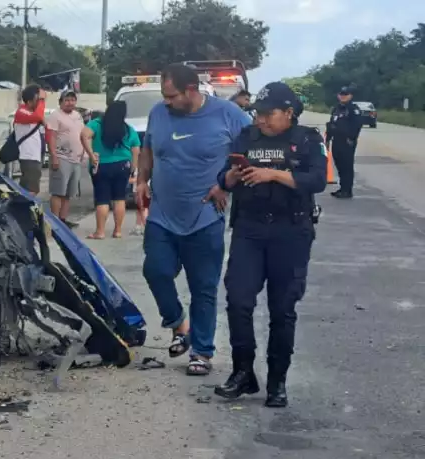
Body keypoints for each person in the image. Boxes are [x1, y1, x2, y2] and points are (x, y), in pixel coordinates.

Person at [214, 82, 326, 407]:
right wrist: (232, 177)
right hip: (249, 229)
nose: (261, 120)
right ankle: (243, 371)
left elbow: (317, 179)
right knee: (238, 301)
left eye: (268, 114)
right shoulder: (247, 137)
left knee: (281, 310)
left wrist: (273, 175)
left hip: (290, 232)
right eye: (258, 114)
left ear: (289, 113)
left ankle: (277, 382)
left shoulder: (307, 139)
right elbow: (224, 178)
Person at [134, 63, 251, 376]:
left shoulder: (229, 115)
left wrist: (226, 182)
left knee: (203, 287)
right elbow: (148, 148)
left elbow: (252, 151)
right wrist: (142, 178)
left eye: (171, 96)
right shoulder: (159, 113)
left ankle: (201, 351)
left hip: (205, 216)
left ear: (190, 90)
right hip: (162, 213)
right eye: (164, 96)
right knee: (155, 270)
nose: (166, 102)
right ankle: (177, 323)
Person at [85, 100, 138, 239]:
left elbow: (84, 135)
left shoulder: (97, 124)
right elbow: (136, 148)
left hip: (102, 165)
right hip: (123, 165)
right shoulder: (127, 128)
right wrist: (133, 166)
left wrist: (91, 154)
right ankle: (118, 231)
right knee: (119, 198)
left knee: (102, 199)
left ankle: (100, 232)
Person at [46, 90, 95, 227]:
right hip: (61, 157)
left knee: (68, 192)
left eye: (72, 100)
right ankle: (54, 221)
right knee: (58, 191)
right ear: (61, 102)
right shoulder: (55, 116)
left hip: (76, 159)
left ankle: (63, 220)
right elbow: (52, 137)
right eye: (67, 100)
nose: (70, 103)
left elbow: (81, 135)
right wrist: (54, 156)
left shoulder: (77, 115)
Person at [326, 86, 362, 199]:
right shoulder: (336, 108)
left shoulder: (353, 109)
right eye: (341, 94)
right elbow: (331, 124)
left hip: (347, 142)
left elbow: (357, 125)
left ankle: (347, 190)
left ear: (350, 96)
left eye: (345, 94)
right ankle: (342, 189)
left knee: (347, 166)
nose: (343, 96)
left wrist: (351, 138)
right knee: (339, 165)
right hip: (336, 140)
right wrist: (327, 139)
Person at [12, 84, 47, 195]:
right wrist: (41, 100)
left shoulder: (31, 113)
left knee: (28, 189)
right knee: (31, 191)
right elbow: (38, 117)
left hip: (35, 156)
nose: (42, 102)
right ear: (32, 99)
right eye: (39, 98)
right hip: (28, 156)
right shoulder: (21, 111)